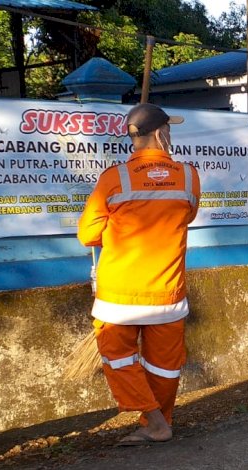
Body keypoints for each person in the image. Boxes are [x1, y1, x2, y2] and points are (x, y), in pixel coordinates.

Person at [77, 103, 200, 445]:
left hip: (120, 295)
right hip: (168, 293)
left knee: (117, 358)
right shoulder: (189, 176)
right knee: (165, 366)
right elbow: (185, 216)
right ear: (161, 134)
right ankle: (159, 420)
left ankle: (155, 421)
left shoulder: (114, 178)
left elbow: (88, 234)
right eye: (169, 129)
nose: (171, 134)